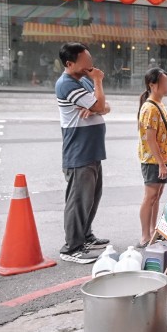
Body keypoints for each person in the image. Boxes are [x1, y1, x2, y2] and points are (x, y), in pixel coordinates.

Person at [55, 43, 110, 264]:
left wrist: (98, 104)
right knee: (78, 201)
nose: (90, 63)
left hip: (92, 150)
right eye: (85, 60)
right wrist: (98, 83)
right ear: (70, 63)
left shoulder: (82, 80)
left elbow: (105, 106)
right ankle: (72, 247)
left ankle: (85, 236)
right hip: (79, 152)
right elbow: (99, 105)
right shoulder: (66, 84)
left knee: (91, 199)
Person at [138, 68, 167, 248]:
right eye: (164, 82)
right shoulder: (150, 108)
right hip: (153, 161)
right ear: (152, 85)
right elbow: (150, 140)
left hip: (160, 161)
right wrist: (161, 163)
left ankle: (153, 232)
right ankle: (145, 236)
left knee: (156, 196)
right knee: (150, 196)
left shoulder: (158, 105)